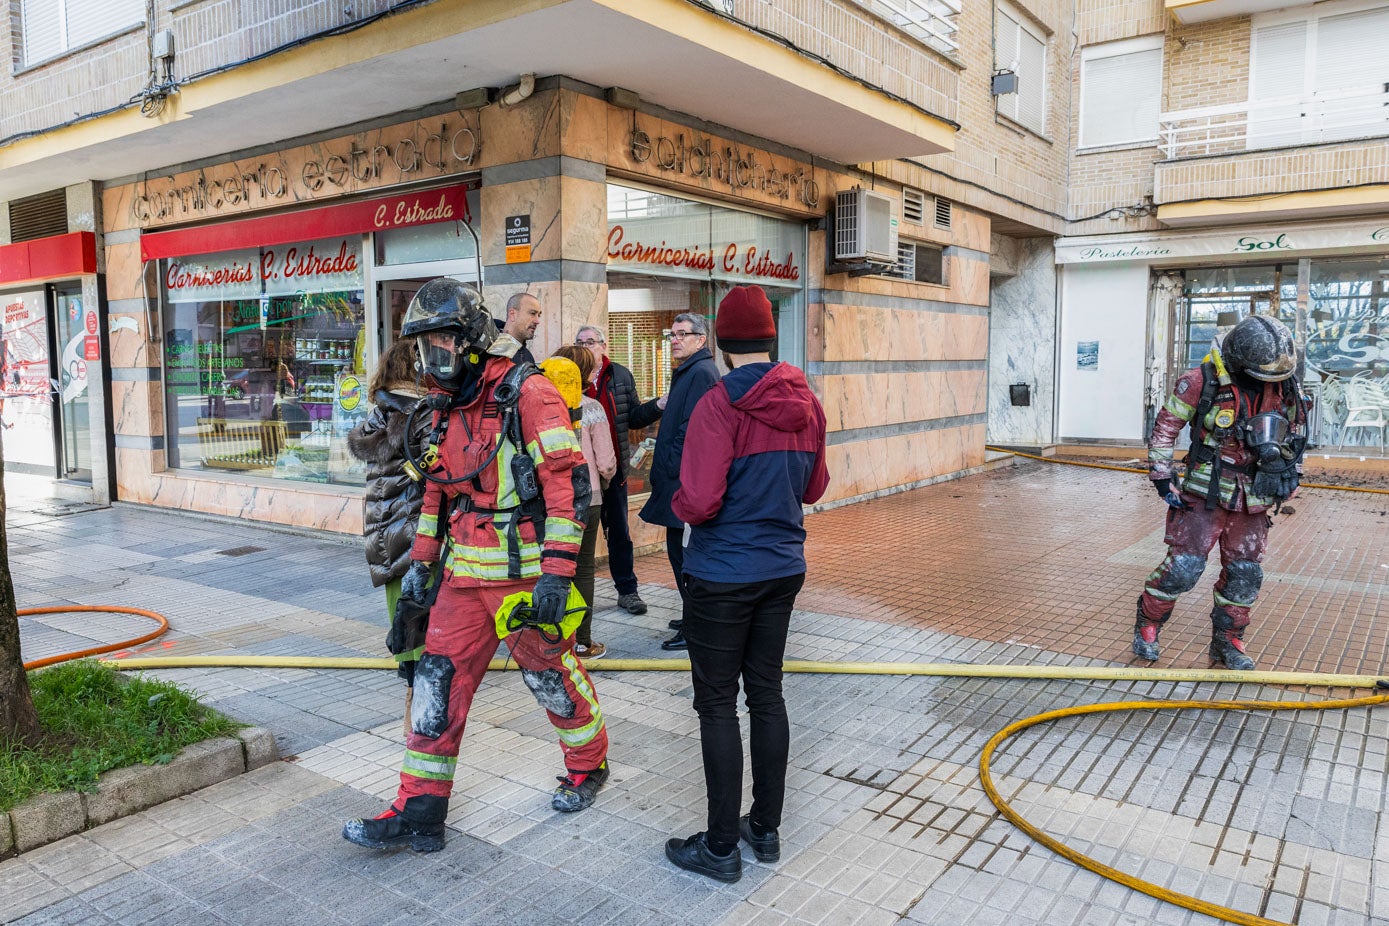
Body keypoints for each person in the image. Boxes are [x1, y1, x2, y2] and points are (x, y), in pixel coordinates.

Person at [343, 278, 608, 854]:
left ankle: (589, 766)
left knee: (550, 679)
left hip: (523, 575)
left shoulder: (529, 393)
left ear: (469, 340)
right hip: (463, 577)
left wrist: (559, 574)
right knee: (436, 686)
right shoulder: (443, 407)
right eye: (422, 346)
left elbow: (567, 486)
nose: (429, 358)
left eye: (440, 343)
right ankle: (420, 810)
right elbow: (440, 488)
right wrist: (420, 567)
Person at [663, 284, 828, 883]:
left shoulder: (718, 403)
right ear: (769, 338)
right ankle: (765, 830)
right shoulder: (806, 400)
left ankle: (720, 847)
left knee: (715, 705)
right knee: (767, 694)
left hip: (722, 574)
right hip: (783, 569)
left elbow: (700, 502)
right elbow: (813, 488)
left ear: (723, 342)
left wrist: (677, 501)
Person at [1134, 314, 1309, 671]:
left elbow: (1296, 433)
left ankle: (1228, 642)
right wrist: (1162, 476)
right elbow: (1166, 427)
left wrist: (1290, 473)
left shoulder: (1286, 385)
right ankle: (1148, 626)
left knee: (1245, 574)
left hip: (1255, 495)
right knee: (1183, 568)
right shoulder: (1200, 381)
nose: (1268, 382)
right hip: (1204, 492)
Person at [346, 338, 430, 725]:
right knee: (422, 606)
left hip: (383, 525)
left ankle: (409, 677)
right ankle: (418, 695)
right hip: (415, 521)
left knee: (400, 605)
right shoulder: (421, 413)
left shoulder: (377, 412)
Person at [633, 312, 719, 651]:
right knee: (678, 552)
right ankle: (691, 615)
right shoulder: (689, 370)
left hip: (682, 482)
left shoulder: (700, 372)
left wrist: (673, 468)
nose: (676, 340)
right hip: (676, 479)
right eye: (672, 335)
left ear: (701, 339)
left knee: (683, 556)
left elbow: (693, 430)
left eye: (683, 334)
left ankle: (696, 626)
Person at [545, 345, 617, 659]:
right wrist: (608, 479)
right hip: (587, 499)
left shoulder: (541, 406)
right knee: (583, 570)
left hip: (547, 501)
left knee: (552, 567)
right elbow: (605, 462)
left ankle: (551, 637)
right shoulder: (591, 408)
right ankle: (581, 641)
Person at [576, 324, 649, 618]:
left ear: (603, 346)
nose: (585, 346)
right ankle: (571, 598)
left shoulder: (619, 375)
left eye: (591, 341)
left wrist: (659, 406)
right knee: (576, 542)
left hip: (613, 472)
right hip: (580, 478)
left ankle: (627, 591)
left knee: (619, 533)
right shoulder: (564, 377)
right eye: (580, 341)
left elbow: (633, 418)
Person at [493, 292, 541, 365]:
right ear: (512, 314)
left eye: (539, 315)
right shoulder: (487, 350)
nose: (537, 321)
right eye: (532, 313)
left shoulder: (528, 358)